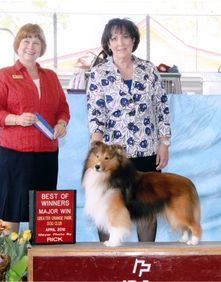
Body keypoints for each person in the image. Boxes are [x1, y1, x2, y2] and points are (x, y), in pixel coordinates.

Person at [86, 18, 171, 242]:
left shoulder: (149, 70)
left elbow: (161, 108)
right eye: (114, 38)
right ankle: (108, 264)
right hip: (112, 156)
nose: (120, 42)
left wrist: (164, 143)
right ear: (108, 43)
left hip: (147, 151)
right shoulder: (98, 73)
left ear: (133, 40)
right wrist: (96, 145)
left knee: (146, 209)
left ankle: (146, 261)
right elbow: (96, 112)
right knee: (107, 207)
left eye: (125, 37)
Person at [0, 23, 70, 233]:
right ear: (18, 45)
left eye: (36, 42)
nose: (31, 46)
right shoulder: (3, 75)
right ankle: (9, 262)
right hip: (13, 154)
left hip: (46, 154)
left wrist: (61, 124)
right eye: (26, 41)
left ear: (42, 47)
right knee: (11, 210)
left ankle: (39, 262)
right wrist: (16, 119)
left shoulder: (51, 76)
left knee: (43, 214)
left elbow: (62, 108)